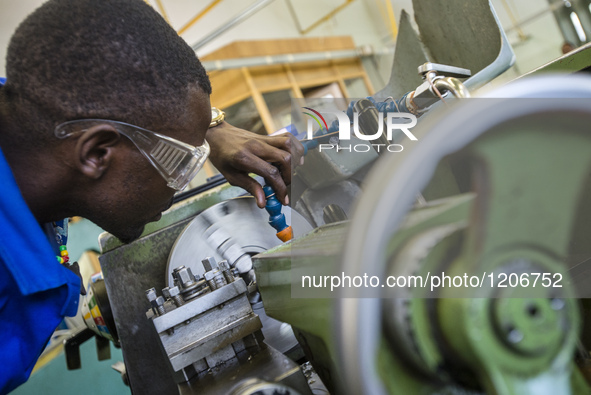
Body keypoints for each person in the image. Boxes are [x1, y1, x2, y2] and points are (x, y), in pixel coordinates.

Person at [0, 0, 303, 393]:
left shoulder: (31, 116)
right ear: (95, 154)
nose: (181, 183)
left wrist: (207, 127)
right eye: (179, 164)